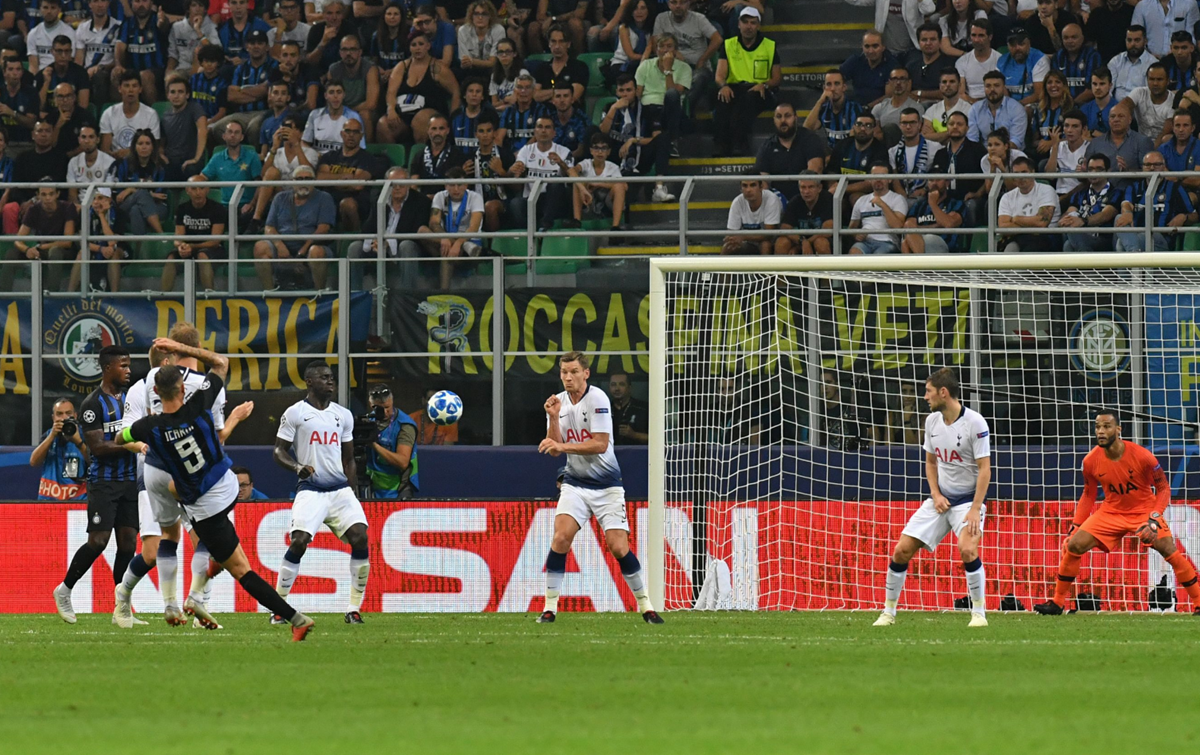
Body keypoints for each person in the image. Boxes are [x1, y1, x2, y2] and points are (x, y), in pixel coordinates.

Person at [119, 338, 315, 640]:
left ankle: (296, 619)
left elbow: (121, 438)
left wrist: (137, 433)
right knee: (223, 557)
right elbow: (220, 363)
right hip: (227, 486)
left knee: (240, 568)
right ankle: (199, 593)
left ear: (155, 392)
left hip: (204, 506)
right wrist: (182, 349)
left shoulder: (150, 427)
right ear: (184, 389)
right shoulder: (199, 407)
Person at [114, 325, 243, 628]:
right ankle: (191, 600)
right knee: (204, 540)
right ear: (194, 348)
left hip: (154, 468)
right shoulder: (203, 385)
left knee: (166, 541)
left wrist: (145, 438)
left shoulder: (147, 381)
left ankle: (173, 604)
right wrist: (236, 418)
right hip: (189, 472)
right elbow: (217, 437)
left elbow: (124, 434)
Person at [537, 350, 662, 624]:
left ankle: (646, 605)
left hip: (607, 486)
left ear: (586, 373)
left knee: (618, 548)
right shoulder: (557, 402)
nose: (568, 377)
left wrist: (561, 445)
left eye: (573, 372)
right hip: (575, 484)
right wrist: (554, 418)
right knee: (560, 539)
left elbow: (600, 444)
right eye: (564, 373)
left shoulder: (598, 399)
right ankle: (549, 608)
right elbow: (555, 448)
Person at [1034, 409, 1200, 616]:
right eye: (1097, 427)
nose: (1101, 431)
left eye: (1106, 426)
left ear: (1118, 429)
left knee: (1169, 550)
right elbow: (1088, 494)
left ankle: (1198, 602)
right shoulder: (1090, 461)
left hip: (1143, 511)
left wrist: (1154, 517)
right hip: (1111, 512)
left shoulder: (1142, 456)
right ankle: (1057, 603)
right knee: (1074, 545)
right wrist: (1075, 526)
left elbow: (1164, 489)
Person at [872, 368, 991, 628]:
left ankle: (979, 614)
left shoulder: (975, 423)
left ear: (943, 393)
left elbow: (985, 469)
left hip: (968, 502)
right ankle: (888, 613)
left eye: (928, 391)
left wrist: (974, 509)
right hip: (941, 501)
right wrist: (935, 494)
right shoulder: (931, 422)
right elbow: (930, 462)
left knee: (968, 550)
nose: (925, 396)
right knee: (901, 550)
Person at [272, 360, 371, 625]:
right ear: (309, 382)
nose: (331, 381)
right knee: (299, 542)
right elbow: (279, 450)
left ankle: (353, 609)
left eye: (332, 377)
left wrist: (352, 493)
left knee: (360, 538)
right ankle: (279, 608)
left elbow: (349, 460)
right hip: (311, 489)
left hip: (339, 490)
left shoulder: (343, 415)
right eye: (324, 377)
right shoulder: (295, 413)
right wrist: (296, 466)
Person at [51, 346, 138, 626]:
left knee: (128, 544)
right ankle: (64, 590)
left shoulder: (130, 399)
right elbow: (98, 447)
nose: (128, 371)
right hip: (104, 483)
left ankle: (121, 610)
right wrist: (132, 443)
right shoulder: (93, 404)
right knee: (98, 541)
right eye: (123, 366)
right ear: (108, 368)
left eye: (129, 365)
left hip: (129, 482)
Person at [253, 164, 335, 289]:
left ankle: (320, 295)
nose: (303, 183)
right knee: (260, 247)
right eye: (299, 179)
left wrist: (302, 251)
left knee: (316, 252)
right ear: (293, 182)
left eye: (308, 179)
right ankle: (270, 294)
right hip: (283, 245)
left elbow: (323, 229)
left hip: (311, 246)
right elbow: (269, 227)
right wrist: (279, 245)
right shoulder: (280, 198)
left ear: (314, 182)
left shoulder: (324, 198)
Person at [712, 7, 778, 157]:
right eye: (745, 22)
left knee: (747, 100)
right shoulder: (729, 45)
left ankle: (739, 144)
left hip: (760, 89)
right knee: (723, 99)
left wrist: (765, 84)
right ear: (738, 24)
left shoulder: (769, 46)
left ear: (758, 25)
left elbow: (776, 78)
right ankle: (721, 145)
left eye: (753, 23)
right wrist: (723, 86)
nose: (749, 26)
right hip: (735, 87)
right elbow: (719, 76)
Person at [353, 165, 431, 290]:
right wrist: (375, 241)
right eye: (393, 184)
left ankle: (406, 297)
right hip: (379, 245)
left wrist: (388, 243)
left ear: (409, 184)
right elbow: (368, 227)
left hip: (402, 246)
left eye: (402, 184)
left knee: (407, 246)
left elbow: (416, 231)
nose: (398, 188)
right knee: (354, 247)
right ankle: (354, 295)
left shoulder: (420, 201)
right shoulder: (378, 198)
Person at [378, 30, 460, 144]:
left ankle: (421, 158)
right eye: (413, 45)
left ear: (428, 46)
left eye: (421, 44)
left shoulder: (438, 68)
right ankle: (392, 159)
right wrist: (391, 109)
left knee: (420, 119)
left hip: (429, 112)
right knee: (383, 124)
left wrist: (452, 120)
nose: (417, 48)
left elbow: (456, 92)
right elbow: (391, 92)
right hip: (403, 113)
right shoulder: (401, 67)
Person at [3, 179, 76, 292]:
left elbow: (67, 242)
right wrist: (27, 250)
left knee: (55, 251)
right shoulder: (33, 209)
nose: (48, 198)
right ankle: (3, 298)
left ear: (57, 194)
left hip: (63, 250)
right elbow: (18, 240)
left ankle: (52, 296)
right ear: (38, 195)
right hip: (41, 249)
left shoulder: (68, 207)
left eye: (51, 194)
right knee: (12, 254)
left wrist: (41, 247)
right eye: (44, 194)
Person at [1114, 151, 1195, 252]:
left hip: (1161, 238)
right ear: (1143, 167)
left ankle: (1133, 255)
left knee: (1121, 244)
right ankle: (1135, 254)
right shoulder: (1134, 187)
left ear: (1164, 167)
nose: (1152, 168)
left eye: (1156, 164)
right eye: (1148, 165)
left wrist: (1184, 217)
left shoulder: (1175, 188)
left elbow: (1194, 215)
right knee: (1119, 219)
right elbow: (1126, 204)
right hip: (1135, 233)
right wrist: (1127, 212)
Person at [634, 31, 689, 177]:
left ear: (675, 50)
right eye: (661, 46)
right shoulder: (645, 65)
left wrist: (668, 70)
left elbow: (674, 92)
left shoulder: (684, 68)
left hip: (670, 111)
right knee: (646, 107)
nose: (665, 50)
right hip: (648, 110)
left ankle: (673, 141)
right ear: (656, 49)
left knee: (671, 95)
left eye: (669, 46)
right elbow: (637, 93)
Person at [649, 0, 720, 111]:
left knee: (700, 77)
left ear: (688, 3)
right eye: (674, 2)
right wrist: (673, 54)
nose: (678, 6)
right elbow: (655, 43)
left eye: (682, 2)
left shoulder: (699, 19)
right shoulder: (661, 18)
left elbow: (717, 39)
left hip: (695, 67)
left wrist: (702, 60)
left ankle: (679, 109)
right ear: (668, 4)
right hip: (672, 66)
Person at [209, 29, 277, 145]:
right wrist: (258, 93)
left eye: (260, 43)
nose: (256, 47)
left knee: (254, 128)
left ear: (267, 47)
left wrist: (242, 90)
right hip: (241, 114)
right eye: (252, 43)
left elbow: (267, 91)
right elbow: (231, 96)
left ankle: (254, 159)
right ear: (246, 47)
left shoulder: (274, 65)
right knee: (218, 128)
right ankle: (234, 157)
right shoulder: (241, 68)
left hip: (265, 112)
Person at [509, 114, 574, 231]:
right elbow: (517, 170)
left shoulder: (564, 152)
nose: (543, 130)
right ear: (535, 131)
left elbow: (572, 179)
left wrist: (561, 164)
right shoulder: (526, 150)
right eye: (540, 127)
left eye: (548, 127)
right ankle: (527, 237)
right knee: (515, 203)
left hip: (556, 200)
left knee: (555, 180)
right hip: (532, 199)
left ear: (554, 132)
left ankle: (545, 225)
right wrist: (516, 169)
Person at [316, 117, 381, 233]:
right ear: (342, 134)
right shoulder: (329, 156)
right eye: (348, 131)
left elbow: (357, 185)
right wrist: (343, 178)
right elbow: (320, 178)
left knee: (347, 204)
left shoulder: (368, 159)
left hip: (357, 200)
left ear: (361, 136)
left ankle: (354, 239)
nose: (351, 135)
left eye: (356, 132)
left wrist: (331, 181)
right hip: (329, 199)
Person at [164, 174, 226, 290]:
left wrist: (192, 246)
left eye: (201, 188)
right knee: (171, 258)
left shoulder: (218, 209)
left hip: (212, 249)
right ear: (187, 190)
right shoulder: (182, 209)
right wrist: (182, 246)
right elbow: (178, 238)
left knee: (202, 255)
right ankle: (163, 298)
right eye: (194, 189)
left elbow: (215, 241)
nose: (198, 192)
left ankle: (210, 297)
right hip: (189, 247)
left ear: (207, 190)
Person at [109, 128, 168, 236]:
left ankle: (139, 251)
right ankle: (162, 236)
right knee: (141, 194)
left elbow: (161, 196)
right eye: (140, 143)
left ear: (153, 146)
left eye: (147, 143)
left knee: (136, 210)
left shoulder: (160, 166)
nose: (144, 147)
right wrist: (147, 193)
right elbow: (119, 197)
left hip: (157, 207)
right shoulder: (123, 164)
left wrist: (131, 190)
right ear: (134, 147)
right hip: (126, 205)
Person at [364, 383, 419, 499]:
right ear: (371, 405)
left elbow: (403, 462)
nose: (384, 413)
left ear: (392, 402)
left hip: (399, 487)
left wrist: (373, 444)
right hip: (372, 486)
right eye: (379, 408)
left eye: (387, 407)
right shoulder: (367, 422)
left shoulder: (405, 425)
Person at [201, 118, 261, 223]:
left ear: (242, 137)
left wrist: (252, 204)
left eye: (237, 132)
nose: (233, 135)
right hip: (224, 206)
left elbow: (260, 183)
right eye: (230, 132)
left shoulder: (252, 156)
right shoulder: (217, 158)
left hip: (247, 206)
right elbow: (202, 178)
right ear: (224, 136)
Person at [68, 187, 127, 292]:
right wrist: (101, 249)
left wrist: (101, 216)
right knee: (82, 253)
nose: (95, 202)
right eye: (93, 199)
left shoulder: (119, 213)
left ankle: (115, 296)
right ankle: (69, 294)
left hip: (116, 248)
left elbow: (112, 242)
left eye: (100, 198)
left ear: (108, 200)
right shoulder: (85, 212)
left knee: (114, 254)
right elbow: (83, 241)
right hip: (94, 248)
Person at [30, 398, 90, 502]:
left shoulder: (84, 436)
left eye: (68, 413)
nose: (64, 418)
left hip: (77, 501)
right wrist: (52, 436)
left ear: (75, 415)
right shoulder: (48, 436)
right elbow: (34, 462)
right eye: (59, 414)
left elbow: (94, 463)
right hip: (49, 499)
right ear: (53, 417)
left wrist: (78, 442)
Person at [997, 156, 1061, 251]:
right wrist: (1031, 223)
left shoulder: (1046, 190)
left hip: (1045, 238)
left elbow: (1042, 222)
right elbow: (1003, 228)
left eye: (1024, 172)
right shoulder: (1007, 197)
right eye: (1016, 174)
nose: (1020, 177)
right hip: (1017, 238)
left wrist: (1016, 219)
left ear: (1032, 172)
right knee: (1010, 249)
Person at [570, 131, 627, 236]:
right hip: (587, 201)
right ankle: (576, 221)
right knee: (577, 183)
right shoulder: (586, 164)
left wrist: (597, 183)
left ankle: (615, 227)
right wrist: (583, 188)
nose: (600, 152)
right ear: (591, 150)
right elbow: (571, 171)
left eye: (603, 148)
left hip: (607, 204)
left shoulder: (613, 167)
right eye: (596, 148)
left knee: (619, 186)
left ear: (608, 152)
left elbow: (624, 186)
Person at [1059, 154, 1119, 252]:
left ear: (1108, 171)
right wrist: (1066, 219)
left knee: (1072, 238)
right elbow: (1070, 211)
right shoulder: (1080, 193)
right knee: (1068, 244)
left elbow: (1106, 215)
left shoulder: (1115, 192)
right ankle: (1086, 265)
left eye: (1099, 169)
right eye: (1090, 169)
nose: (1093, 172)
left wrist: (1083, 221)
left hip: (1103, 238)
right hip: (1079, 236)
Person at [827, 112, 888, 207]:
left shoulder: (880, 150)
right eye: (859, 124)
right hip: (840, 190)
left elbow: (872, 182)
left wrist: (842, 188)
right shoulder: (842, 145)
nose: (863, 129)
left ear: (873, 129)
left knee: (856, 198)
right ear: (853, 126)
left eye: (868, 125)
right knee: (829, 198)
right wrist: (833, 186)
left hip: (865, 193)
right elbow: (831, 171)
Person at [114, 0, 169, 104]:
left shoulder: (157, 19)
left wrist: (163, 22)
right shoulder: (127, 23)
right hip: (132, 70)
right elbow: (120, 47)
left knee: (144, 76)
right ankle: (120, 113)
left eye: (144, 1)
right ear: (131, 3)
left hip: (157, 71)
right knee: (115, 73)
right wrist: (118, 65)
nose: (141, 5)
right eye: (137, 1)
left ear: (152, 2)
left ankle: (154, 115)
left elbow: (164, 26)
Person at [327, 34, 379, 142]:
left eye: (352, 49)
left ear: (360, 52)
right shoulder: (333, 70)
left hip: (361, 111)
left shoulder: (370, 69)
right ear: (340, 52)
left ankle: (365, 150)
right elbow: (329, 99)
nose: (348, 53)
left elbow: (371, 103)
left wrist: (347, 111)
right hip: (340, 109)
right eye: (345, 50)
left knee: (365, 114)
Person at [848, 163, 907, 255]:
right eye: (875, 176)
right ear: (870, 179)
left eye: (882, 176)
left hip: (888, 243)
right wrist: (857, 235)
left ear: (889, 179)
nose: (878, 180)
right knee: (854, 253)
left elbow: (898, 227)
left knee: (877, 259)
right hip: (865, 242)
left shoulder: (898, 199)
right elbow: (851, 228)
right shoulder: (861, 200)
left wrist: (882, 204)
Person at [99, 70, 160, 159]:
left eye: (134, 86)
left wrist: (130, 152)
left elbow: (153, 148)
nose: (130, 90)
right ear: (119, 88)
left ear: (140, 89)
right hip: (116, 161)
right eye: (126, 86)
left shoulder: (151, 114)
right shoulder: (109, 114)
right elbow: (105, 150)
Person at [1084, 100, 1153, 178]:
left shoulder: (1143, 142)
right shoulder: (1095, 143)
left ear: (1129, 119)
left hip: (1132, 189)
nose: (1116, 120)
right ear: (1109, 120)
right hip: (1103, 189)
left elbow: (1149, 173)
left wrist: (1127, 171)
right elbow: (1086, 173)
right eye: (1112, 116)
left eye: (1121, 116)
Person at [160, 74, 209, 181]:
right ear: (167, 95)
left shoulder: (195, 108)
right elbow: (162, 142)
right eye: (173, 92)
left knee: (190, 170)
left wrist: (196, 159)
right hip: (171, 162)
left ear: (187, 95)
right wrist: (161, 155)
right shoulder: (165, 116)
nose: (176, 96)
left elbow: (203, 130)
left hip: (189, 162)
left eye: (180, 92)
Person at [75, 0, 122, 107]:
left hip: (108, 71)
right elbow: (79, 59)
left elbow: (120, 60)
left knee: (99, 77)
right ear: (90, 4)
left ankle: (100, 113)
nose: (100, 5)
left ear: (109, 3)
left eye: (103, 1)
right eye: (96, 1)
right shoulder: (83, 28)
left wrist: (100, 67)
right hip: (87, 73)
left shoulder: (118, 27)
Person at [901, 177, 966, 253]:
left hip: (944, 243)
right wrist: (937, 226)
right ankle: (920, 261)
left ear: (947, 182)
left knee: (924, 239)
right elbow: (909, 226)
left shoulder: (955, 203)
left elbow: (949, 224)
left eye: (938, 180)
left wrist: (933, 203)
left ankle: (918, 261)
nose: (934, 183)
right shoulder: (919, 205)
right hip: (919, 239)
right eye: (931, 180)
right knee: (905, 243)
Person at [776, 172, 834, 255]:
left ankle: (829, 268)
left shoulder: (828, 199)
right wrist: (802, 241)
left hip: (824, 241)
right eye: (803, 187)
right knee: (782, 242)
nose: (806, 191)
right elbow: (785, 228)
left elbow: (827, 230)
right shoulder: (795, 201)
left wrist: (804, 244)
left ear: (819, 188)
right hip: (801, 241)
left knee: (821, 242)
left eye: (811, 187)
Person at [889, 107, 941, 197]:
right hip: (901, 196)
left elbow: (939, 175)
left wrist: (925, 189)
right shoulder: (892, 151)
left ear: (920, 125)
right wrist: (902, 196)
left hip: (928, 195)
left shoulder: (935, 147)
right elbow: (895, 177)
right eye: (904, 123)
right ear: (900, 125)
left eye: (912, 122)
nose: (908, 127)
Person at [967, 69, 1026, 148]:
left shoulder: (1017, 109)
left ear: (1003, 87)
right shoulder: (975, 109)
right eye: (988, 86)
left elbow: (1016, 141)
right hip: (983, 155)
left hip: (1011, 154)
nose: (992, 89)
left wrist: (997, 154)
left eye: (996, 85)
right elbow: (972, 140)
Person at [722, 177, 780, 256]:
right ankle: (718, 268)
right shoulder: (737, 201)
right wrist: (732, 239)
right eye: (745, 186)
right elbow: (732, 232)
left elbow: (768, 234)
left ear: (761, 187)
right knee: (728, 246)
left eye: (753, 185)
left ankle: (765, 268)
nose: (748, 190)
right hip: (747, 242)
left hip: (769, 241)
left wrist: (743, 237)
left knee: (765, 245)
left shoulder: (771, 199)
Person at [533, 23, 588, 104]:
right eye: (553, 41)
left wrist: (546, 95)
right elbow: (535, 96)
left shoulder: (579, 67)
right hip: (545, 114)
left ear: (568, 44)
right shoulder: (542, 68)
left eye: (561, 41)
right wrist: (562, 93)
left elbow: (573, 96)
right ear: (549, 44)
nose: (557, 46)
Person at [840, 29, 898, 107]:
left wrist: (867, 108)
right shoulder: (855, 60)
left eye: (875, 46)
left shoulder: (891, 65)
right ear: (862, 47)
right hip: (857, 106)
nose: (870, 51)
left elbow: (889, 96)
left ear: (883, 47)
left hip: (882, 109)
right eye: (867, 46)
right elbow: (837, 78)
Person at [1121, 63, 1174, 142]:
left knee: (1166, 138)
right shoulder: (1139, 92)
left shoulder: (1174, 100)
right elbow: (1121, 109)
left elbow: (1165, 133)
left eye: (1159, 79)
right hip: (1140, 142)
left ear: (1168, 81)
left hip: (1162, 146)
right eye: (1151, 79)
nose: (1155, 83)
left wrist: (1149, 153)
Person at [997, 27, 1048, 107]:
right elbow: (1001, 91)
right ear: (1008, 46)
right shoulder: (1002, 62)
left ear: (1029, 44)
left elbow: (1039, 94)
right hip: (1009, 106)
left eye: (1021, 44)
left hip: (1034, 105)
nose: (1017, 48)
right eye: (1012, 45)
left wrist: (1016, 107)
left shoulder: (1038, 59)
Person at [37, 34, 89, 113]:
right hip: (50, 119)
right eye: (59, 51)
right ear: (52, 52)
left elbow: (83, 106)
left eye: (67, 51)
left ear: (71, 52)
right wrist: (46, 82)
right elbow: (39, 106)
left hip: (73, 118)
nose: (63, 55)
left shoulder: (81, 73)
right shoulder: (43, 74)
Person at [167, 0, 220, 75]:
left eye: (201, 6)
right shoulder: (177, 27)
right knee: (172, 77)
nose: (197, 9)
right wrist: (169, 71)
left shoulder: (212, 27)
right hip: (182, 68)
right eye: (194, 5)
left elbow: (215, 52)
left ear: (205, 10)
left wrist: (198, 31)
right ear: (188, 9)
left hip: (203, 70)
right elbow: (173, 54)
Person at [1131, 0, 1198, 59]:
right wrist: (1148, 56)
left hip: (1180, 59)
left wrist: (1176, 52)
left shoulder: (1190, 3)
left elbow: (1192, 37)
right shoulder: (1142, 6)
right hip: (1148, 60)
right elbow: (1135, 35)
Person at [1045, 108, 1088, 197]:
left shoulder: (1089, 148)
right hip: (1060, 192)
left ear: (1084, 129)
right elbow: (1049, 175)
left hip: (1081, 194)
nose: (1069, 130)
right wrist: (1055, 147)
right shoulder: (1058, 146)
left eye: (1075, 126)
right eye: (1066, 126)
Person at [954, 19, 999, 102]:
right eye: (973, 35)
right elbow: (961, 93)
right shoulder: (962, 62)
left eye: (981, 36)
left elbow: (1000, 90)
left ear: (990, 37)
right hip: (969, 104)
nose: (976, 40)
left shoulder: (1000, 60)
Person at [26, 0, 75, 76]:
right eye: (45, 7)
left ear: (59, 10)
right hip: (41, 77)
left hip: (62, 76)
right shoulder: (33, 33)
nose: (49, 11)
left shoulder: (69, 32)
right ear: (40, 9)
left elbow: (70, 62)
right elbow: (33, 66)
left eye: (53, 8)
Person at [45, 83, 93, 159]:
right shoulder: (50, 117)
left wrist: (69, 155)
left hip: (80, 158)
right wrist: (58, 126)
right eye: (60, 96)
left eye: (68, 96)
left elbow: (89, 143)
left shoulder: (85, 116)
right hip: (55, 160)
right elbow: (48, 145)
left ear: (74, 98)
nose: (65, 100)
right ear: (55, 99)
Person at [872, 66, 922, 138]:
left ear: (908, 82)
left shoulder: (917, 108)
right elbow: (875, 133)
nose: (898, 83)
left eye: (902, 79)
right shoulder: (879, 108)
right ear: (889, 82)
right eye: (895, 79)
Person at [921, 68, 969, 142]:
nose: (948, 85)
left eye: (952, 82)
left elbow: (962, 139)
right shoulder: (932, 110)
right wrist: (951, 132)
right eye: (944, 82)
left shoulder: (968, 109)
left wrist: (936, 136)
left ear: (959, 85)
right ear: (940, 86)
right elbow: (925, 137)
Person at [459, 0, 505, 77]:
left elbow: (493, 63)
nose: (480, 17)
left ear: (490, 16)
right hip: (470, 71)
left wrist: (472, 61)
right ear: (471, 16)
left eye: (484, 14)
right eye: (476, 14)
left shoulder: (498, 30)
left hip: (493, 71)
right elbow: (465, 63)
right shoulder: (463, 30)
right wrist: (470, 62)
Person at [1108, 25, 1153, 102]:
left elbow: (1150, 94)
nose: (1133, 44)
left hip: (1140, 108)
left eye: (1137, 40)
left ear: (1145, 41)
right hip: (1116, 108)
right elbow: (1108, 89)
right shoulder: (1116, 61)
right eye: (1129, 40)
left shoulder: (1152, 64)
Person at [188, 43, 231, 123]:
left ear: (218, 63)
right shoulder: (194, 79)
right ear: (201, 63)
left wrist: (208, 123)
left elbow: (222, 112)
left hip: (213, 122)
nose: (209, 64)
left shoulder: (222, 84)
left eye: (212, 61)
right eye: (206, 61)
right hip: (193, 120)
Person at [1028, 69, 1069, 155]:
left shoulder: (1071, 109)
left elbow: (1075, 139)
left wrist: (1051, 143)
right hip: (1041, 152)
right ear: (1045, 87)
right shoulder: (1039, 110)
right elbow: (1033, 141)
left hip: (1063, 153)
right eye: (1049, 82)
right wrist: (1041, 143)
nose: (1053, 85)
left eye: (1058, 82)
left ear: (1064, 86)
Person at [0, 56, 38, 144]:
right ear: (4, 72)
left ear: (22, 72)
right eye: (11, 69)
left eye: (18, 69)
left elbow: (32, 123)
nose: (15, 73)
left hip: (26, 143)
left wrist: (12, 113)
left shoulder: (31, 93)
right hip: (3, 144)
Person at [908, 22, 951, 99]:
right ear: (918, 42)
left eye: (933, 39)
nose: (928, 43)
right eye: (924, 40)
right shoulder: (911, 66)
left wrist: (920, 93)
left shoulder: (949, 65)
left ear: (940, 41)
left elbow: (949, 91)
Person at [607, 371, 647, 445]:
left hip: (638, 454)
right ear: (609, 387)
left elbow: (658, 438)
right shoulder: (604, 409)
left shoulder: (643, 408)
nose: (617, 388)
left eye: (622, 384)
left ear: (629, 388)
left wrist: (635, 435)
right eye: (613, 385)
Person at [368, 2, 408, 72]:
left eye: (396, 14)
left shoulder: (408, 36)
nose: (392, 17)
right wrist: (380, 71)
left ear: (401, 17)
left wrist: (392, 71)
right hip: (381, 74)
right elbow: (374, 59)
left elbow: (410, 60)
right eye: (389, 14)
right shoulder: (376, 36)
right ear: (384, 16)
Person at [489, 37, 526, 109]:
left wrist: (503, 105)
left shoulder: (522, 74)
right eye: (501, 52)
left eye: (508, 52)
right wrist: (505, 100)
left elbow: (520, 100)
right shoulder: (494, 76)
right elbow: (494, 103)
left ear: (514, 54)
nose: (504, 55)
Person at [1081, 67, 1114, 137]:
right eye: (1094, 84)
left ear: (1110, 85)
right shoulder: (1084, 109)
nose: (1097, 88)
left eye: (1102, 84)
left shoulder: (1119, 108)